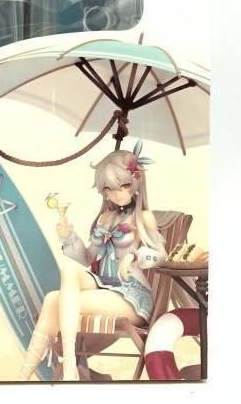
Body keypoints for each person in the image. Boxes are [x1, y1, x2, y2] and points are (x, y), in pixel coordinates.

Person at [19, 149, 166, 381]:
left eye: (123, 185)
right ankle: (61, 367)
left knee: (53, 301)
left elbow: (161, 255)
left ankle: (39, 375)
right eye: (108, 188)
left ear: (136, 182)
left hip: (131, 296)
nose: (116, 194)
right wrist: (69, 237)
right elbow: (88, 259)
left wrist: (135, 257)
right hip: (103, 285)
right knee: (67, 272)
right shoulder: (105, 218)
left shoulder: (143, 217)